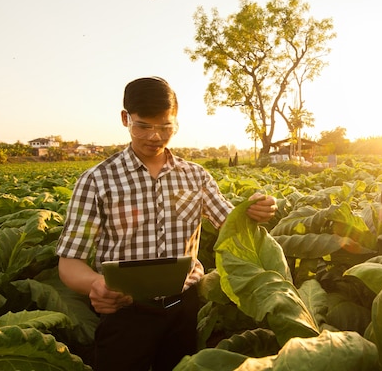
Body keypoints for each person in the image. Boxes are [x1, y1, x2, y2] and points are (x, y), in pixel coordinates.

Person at [55, 76, 276, 371]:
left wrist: (256, 210)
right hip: (125, 311)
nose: (155, 137)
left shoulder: (195, 176)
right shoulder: (97, 180)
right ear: (125, 119)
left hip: (183, 310)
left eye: (165, 127)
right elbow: (70, 263)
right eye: (143, 125)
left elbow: (231, 223)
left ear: (176, 123)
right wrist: (97, 284)